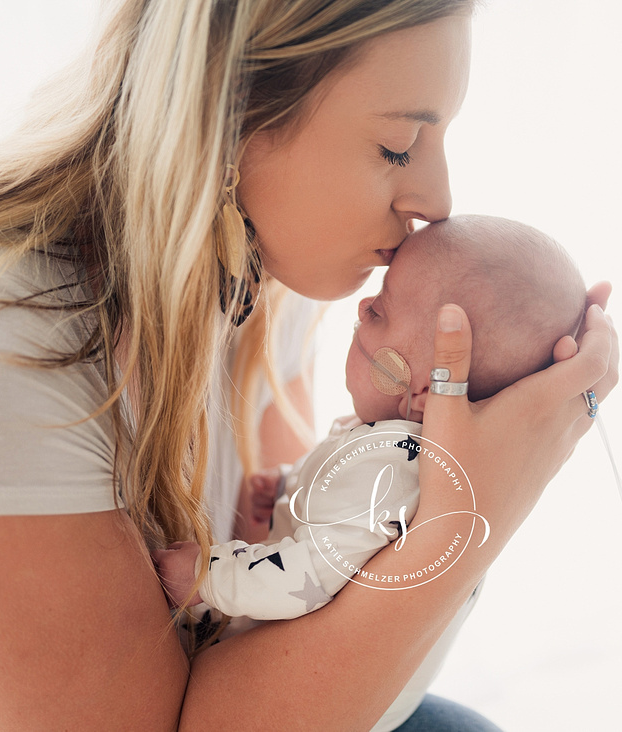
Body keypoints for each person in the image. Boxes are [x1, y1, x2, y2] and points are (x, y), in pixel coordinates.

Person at [0, 2, 618, 730]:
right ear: (230, 115)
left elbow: (278, 614)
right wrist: (471, 518)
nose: (437, 200)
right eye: (397, 145)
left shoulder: (264, 288)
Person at [154, 214, 586, 730]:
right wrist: (288, 489)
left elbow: (308, 578)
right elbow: (345, 539)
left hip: (343, 703)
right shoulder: (406, 449)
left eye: (380, 310)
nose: (362, 307)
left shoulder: (388, 471)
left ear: (424, 391)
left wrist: (209, 579)